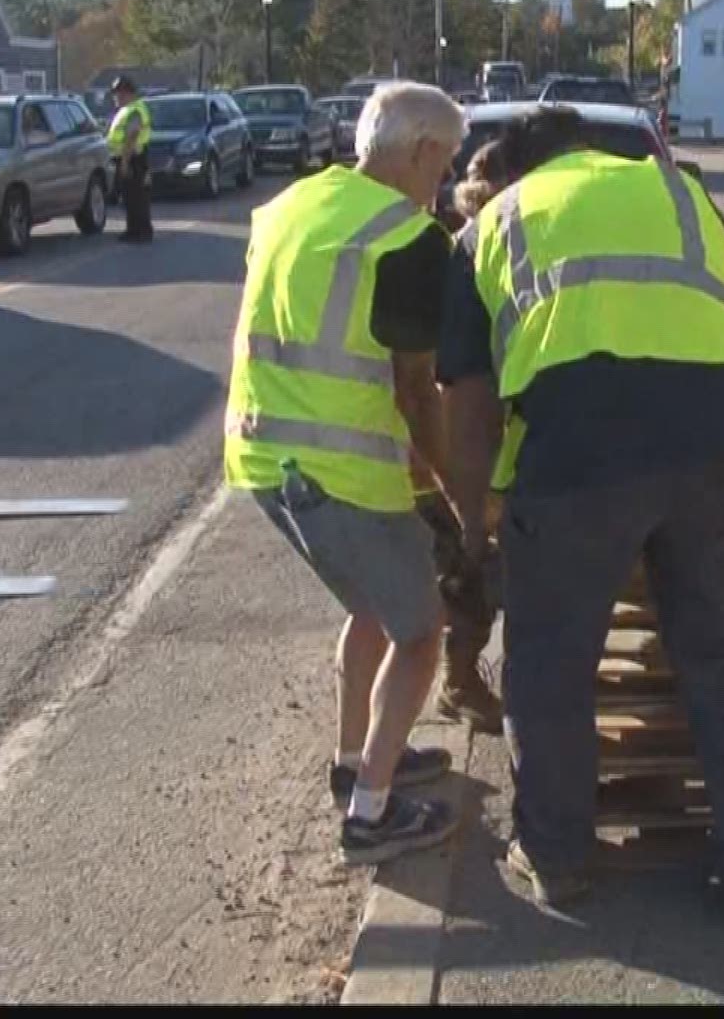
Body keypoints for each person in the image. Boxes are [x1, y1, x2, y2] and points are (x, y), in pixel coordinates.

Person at [439, 107, 724, 937]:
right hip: (721, 448)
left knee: (550, 665)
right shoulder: (686, 199)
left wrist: (474, 516)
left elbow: (466, 403)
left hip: (574, 462)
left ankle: (559, 858)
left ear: (515, 170)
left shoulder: (491, 227)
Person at [223, 81, 470, 865]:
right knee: (420, 630)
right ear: (423, 151)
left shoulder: (293, 204)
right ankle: (371, 814)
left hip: (264, 455)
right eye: (447, 162)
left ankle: (356, 761)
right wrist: (460, 495)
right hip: (342, 470)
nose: (447, 180)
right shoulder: (406, 239)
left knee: (370, 605)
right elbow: (416, 389)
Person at [408, 140, 515, 735]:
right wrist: (462, 489)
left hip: (478, 448)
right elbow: (438, 386)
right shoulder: (454, 264)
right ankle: (459, 680)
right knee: (466, 573)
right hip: (442, 455)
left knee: (475, 571)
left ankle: (458, 675)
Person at [107, 76, 154, 244]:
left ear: (128, 93)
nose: (116, 98)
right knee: (130, 197)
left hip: (133, 158)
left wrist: (125, 164)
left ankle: (139, 232)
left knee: (135, 197)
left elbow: (131, 138)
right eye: (115, 94)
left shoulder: (134, 110)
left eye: (119, 94)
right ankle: (135, 230)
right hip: (131, 157)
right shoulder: (127, 110)